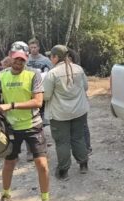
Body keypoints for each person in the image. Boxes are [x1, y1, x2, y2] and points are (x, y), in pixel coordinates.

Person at [0, 46, 57, 201]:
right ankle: (5, 196)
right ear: (10, 57)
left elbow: (38, 102)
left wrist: (11, 105)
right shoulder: (2, 74)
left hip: (33, 126)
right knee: (9, 164)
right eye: (16, 58)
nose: (19, 62)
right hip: (11, 127)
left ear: (26, 59)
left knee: (42, 165)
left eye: (22, 59)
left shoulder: (33, 74)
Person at [43, 45, 89, 180]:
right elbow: (85, 87)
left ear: (56, 57)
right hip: (79, 111)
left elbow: (46, 96)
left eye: (51, 56)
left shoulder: (52, 74)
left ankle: (63, 171)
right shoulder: (78, 69)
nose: (50, 59)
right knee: (78, 137)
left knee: (62, 142)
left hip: (59, 114)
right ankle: (83, 164)